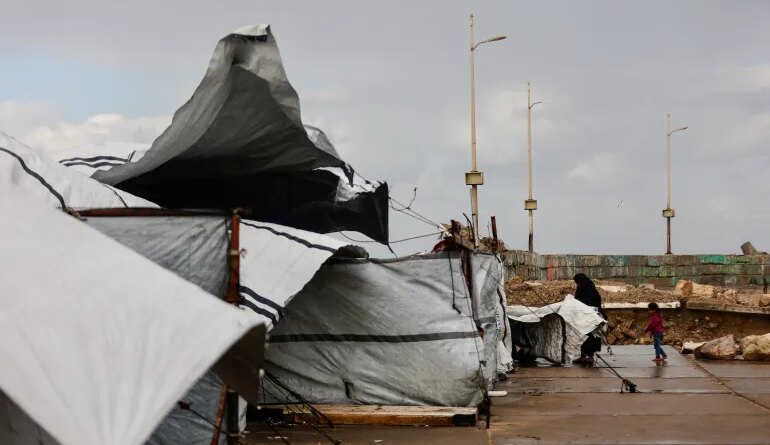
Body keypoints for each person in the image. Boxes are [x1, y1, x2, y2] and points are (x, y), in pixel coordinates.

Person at [573, 273, 606, 364]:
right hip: (582, 318)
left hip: (591, 318)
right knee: (582, 337)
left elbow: (594, 304)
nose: (577, 285)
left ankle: (590, 356)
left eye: (578, 283)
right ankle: (582, 356)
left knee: (591, 338)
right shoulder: (580, 290)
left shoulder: (591, 291)